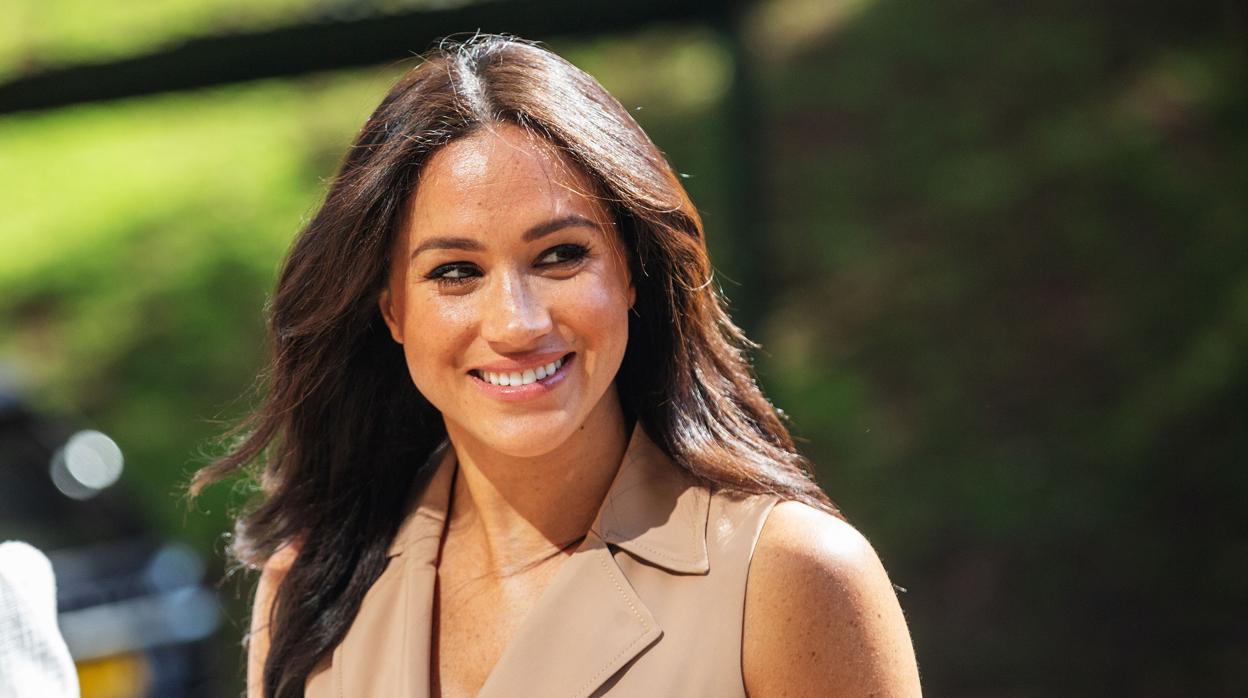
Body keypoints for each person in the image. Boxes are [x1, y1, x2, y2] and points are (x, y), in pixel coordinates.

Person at [191, 33, 921, 698]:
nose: (517, 323)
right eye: (455, 271)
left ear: (631, 272)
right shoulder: (309, 589)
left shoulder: (790, 576)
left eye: (561, 255)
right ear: (392, 312)